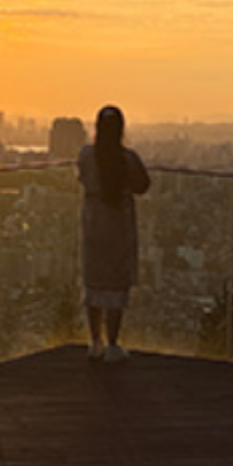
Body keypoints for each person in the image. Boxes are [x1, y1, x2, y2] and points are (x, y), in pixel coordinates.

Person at [78, 104, 150, 363]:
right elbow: (143, 185)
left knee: (94, 282)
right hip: (118, 224)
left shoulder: (86, 155)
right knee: (116, 284)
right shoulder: (127, 159)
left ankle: (94, 340)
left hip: (94, 223)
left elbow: (82, 178)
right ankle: (113, 343)